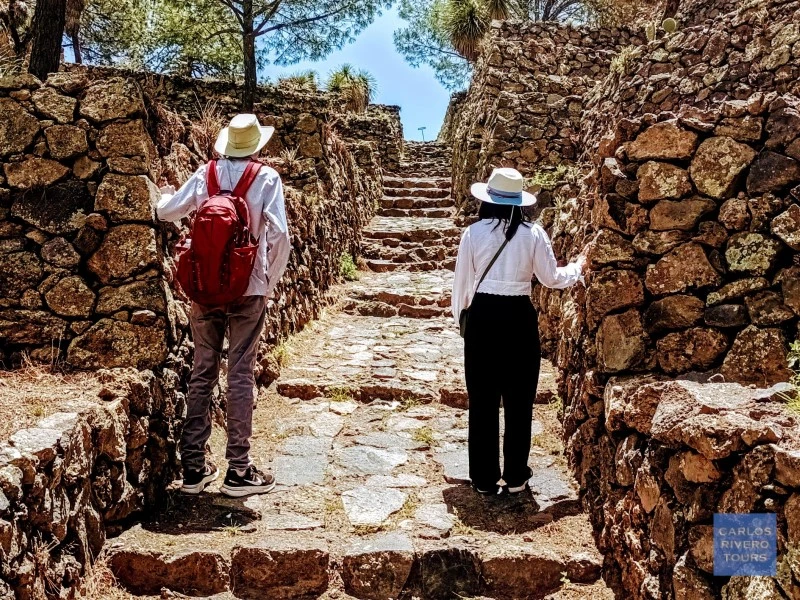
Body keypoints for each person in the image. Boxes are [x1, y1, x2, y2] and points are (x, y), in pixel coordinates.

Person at [157, 114, 291, 497]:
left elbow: (169, 211)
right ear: (257, 145)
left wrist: (161, 196)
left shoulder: (205, 174)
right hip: (248, 287)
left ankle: (194, 469)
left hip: (205, 287)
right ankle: (238, 469)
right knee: (240, 373)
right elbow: (279, 235)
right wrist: (268, 280)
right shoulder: (266, 178)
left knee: (203, 370)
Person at [452, 167, 587, 496]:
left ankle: (483, 477)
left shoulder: (473, 233)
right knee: (519, 400)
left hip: (483, 317)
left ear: (488, 199)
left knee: (482, 400)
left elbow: (462, 286)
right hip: (518, 318)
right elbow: (551, 277)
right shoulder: (533, 233)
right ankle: (515, 476)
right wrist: (579, 268)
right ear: (519, 203)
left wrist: (464, 322)